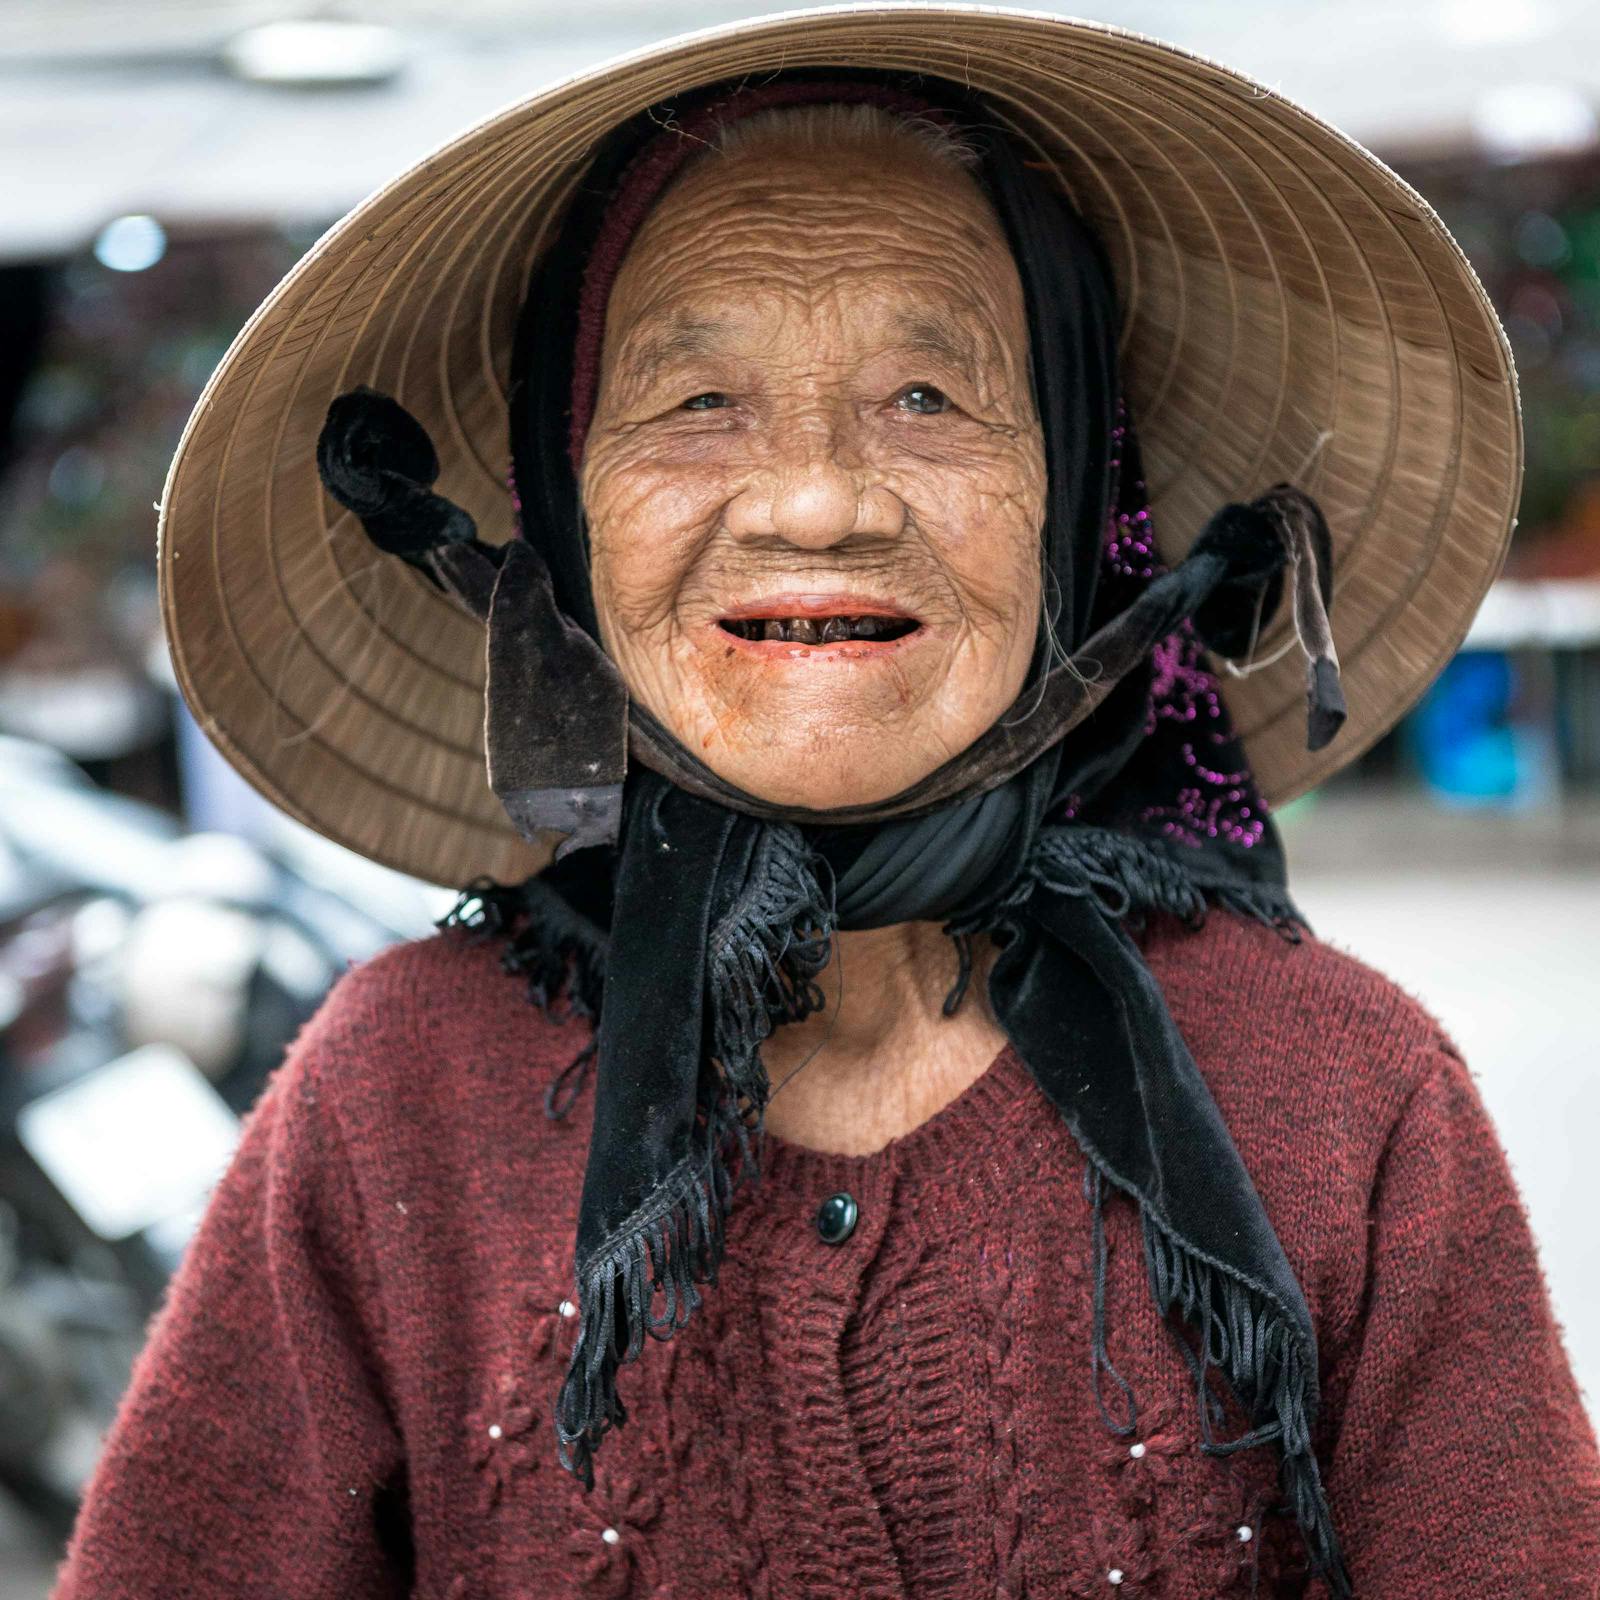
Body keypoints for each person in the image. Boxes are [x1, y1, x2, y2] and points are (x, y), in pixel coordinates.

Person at [54, 12, 1599, 1599]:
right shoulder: (395, 1103)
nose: (816, 499)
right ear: (560, 516)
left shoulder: (1346, 1093)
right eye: (696, 401)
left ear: (1074, 494)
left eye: (928, 394)